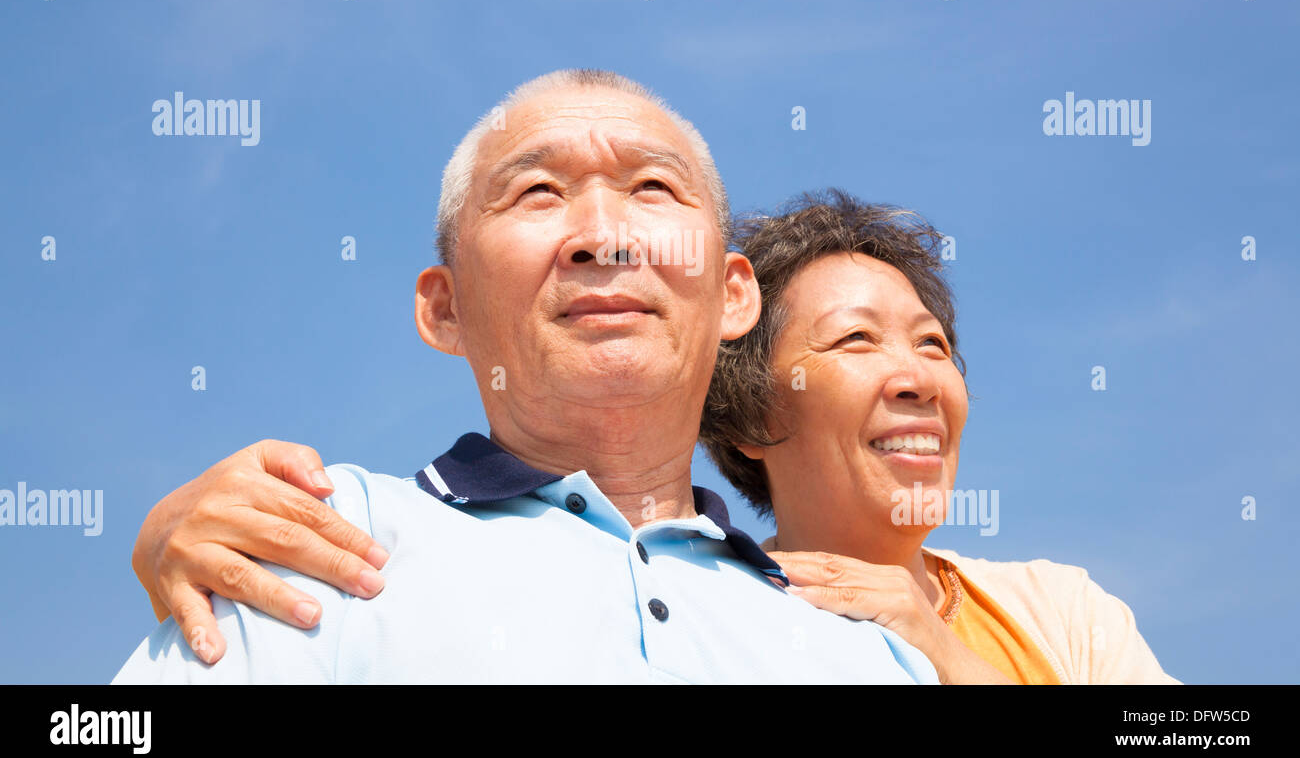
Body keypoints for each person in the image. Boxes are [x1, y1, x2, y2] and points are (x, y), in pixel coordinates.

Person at [112, 69, 937, 684]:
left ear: (732, 296)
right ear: (445, 310)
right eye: (537, 192)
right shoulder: (314, 546)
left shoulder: (859, 644)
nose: (603, 236)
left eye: (652, 187)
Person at [698, 191, 1179, 684]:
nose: (921, 382)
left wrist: (946, 655)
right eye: (856, 338)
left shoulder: (1065, 614)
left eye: (932, 344)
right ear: (748, 416)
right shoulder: (709, 631)